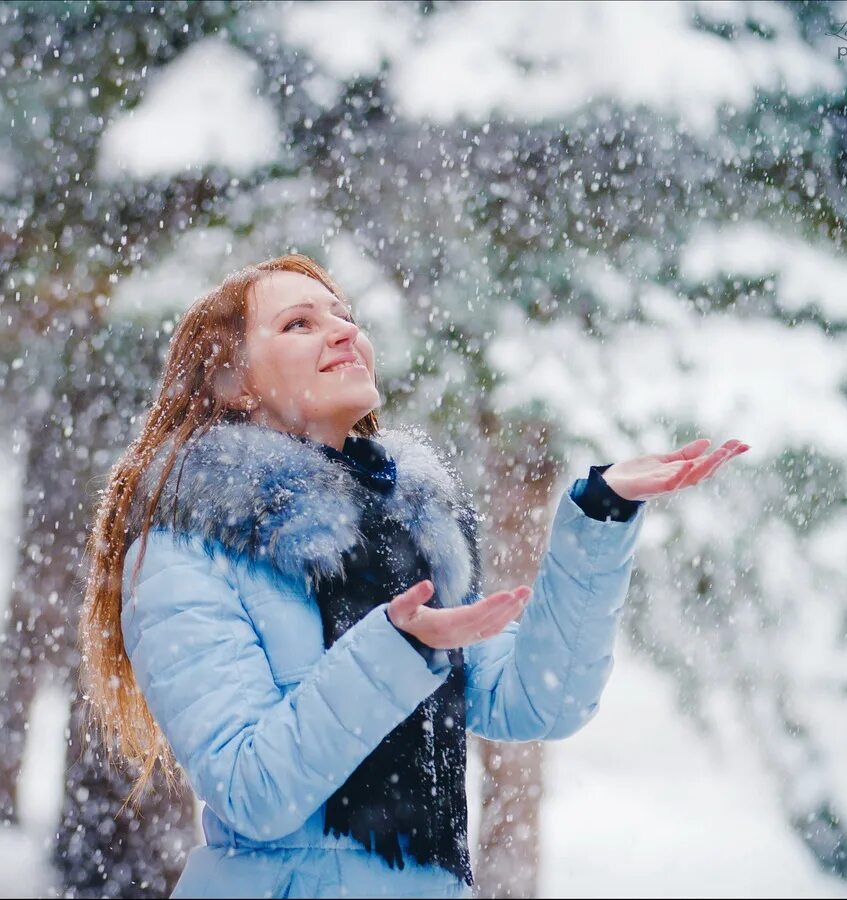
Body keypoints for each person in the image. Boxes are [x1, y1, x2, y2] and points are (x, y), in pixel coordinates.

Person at [80, 254, 748, 898]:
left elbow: (541, 700)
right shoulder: (181, 555)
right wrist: (397, 648)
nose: (344, 330)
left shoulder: (406, 542)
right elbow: (253, 791)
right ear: (232, 382)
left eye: (344, 316)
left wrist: (602, 514)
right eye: (299, 324)